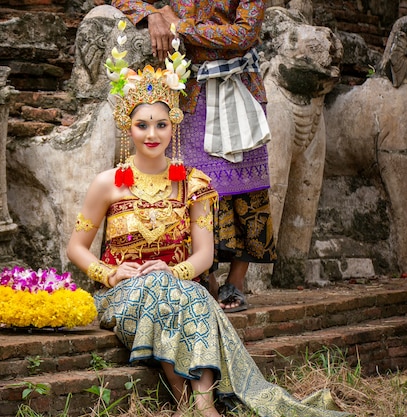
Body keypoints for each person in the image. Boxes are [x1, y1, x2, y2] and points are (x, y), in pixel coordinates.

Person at [67, 26, 352, 417]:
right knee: (167, 291)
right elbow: (76, 248)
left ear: (174, 127)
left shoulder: (194, 184)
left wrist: (172, 270)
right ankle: (191, 404)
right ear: (127, 127)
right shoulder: (108, 184)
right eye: (142, 125)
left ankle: (202, 407)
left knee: (191, 293)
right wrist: (111, 274)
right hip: (121, 293)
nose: (152, 134)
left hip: (178, 285)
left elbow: (203, 256)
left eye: (161, 125)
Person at [112, 0, 277, 313]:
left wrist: (178, 26)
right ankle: (205, 277)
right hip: (191, 94)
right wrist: (152, 14)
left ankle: (236, 281)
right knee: (196, 189)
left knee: (248, 192)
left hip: (239, 91)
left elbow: (243, 35)